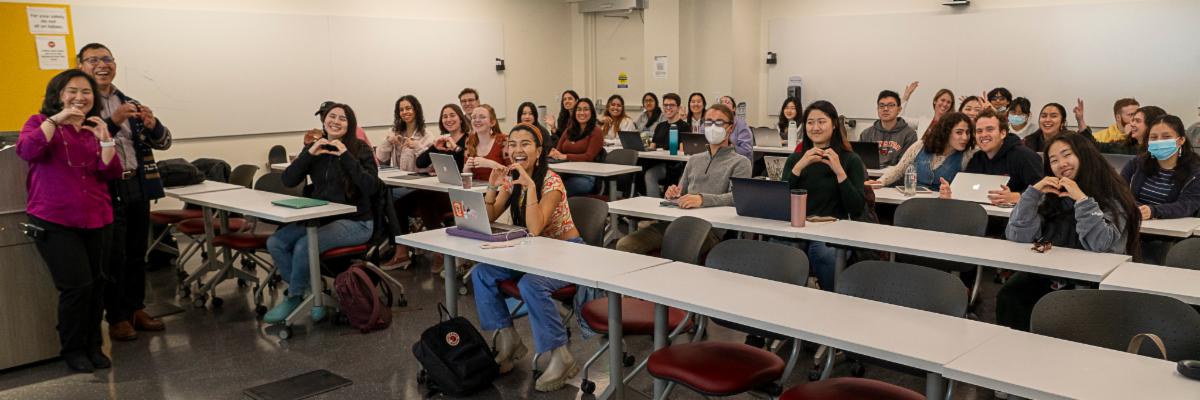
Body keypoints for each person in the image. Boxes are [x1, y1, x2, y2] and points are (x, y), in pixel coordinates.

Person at [17, 69, 123, 373]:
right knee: (76, 287)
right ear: (58, 95)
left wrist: (105, 140)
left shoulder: (94, 127)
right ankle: (73, 348)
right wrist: (57, 119)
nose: (80, 97)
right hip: (55, 219)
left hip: (98, 217)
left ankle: (93, 344)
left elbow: (110, 172)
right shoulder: (39, 123)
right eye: (72, 91)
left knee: (98, 285)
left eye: (86, 92)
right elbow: (28, 151)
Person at [473, 123, 583, 392]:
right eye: (512, 144)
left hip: (566, 252)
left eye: (525, 144)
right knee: (481, 273)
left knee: (530, 285)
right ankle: (509, 339)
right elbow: (489, 218)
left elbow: (535, 226)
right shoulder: (512, 178)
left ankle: (561, 355)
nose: (517, 149)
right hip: (532, 252)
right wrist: (491, 187)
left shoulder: (551, 182)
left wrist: (531, 187)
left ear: (539, 150)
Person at [77, 43, 172, 340]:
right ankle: (116, 316)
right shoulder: (79, 106)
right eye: (93, 60)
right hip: (105, 188)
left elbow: (165, 142)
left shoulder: (129, 100)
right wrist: (113, 121)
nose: (102, 64)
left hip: (137, 184)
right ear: (81, 66)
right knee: (112, 256)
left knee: (135, 253)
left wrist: (153, 124)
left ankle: (135, 308)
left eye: (107, 58)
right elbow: (80, 146)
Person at [998, 133, 1139, 331]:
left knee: (1061, 312)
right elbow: (1017, 236)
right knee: (1011, 294)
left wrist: (1081, 200)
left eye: (1067, 155)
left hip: (1091, 280)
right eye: (1053, 160)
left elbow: (1101, 244)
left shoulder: (1113, 194)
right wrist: (1032, 193)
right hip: (1049, 272)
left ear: (1084, 155)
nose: (1061, 164)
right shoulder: (1051, 194)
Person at [266, 103, 379, 324]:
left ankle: (294, 296)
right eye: (331, 116)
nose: (336, 121)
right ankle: (309, 291)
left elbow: (372, 187)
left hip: (356, 222)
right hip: (320, 218)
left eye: (343, 118)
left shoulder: (360, 149)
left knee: (304, 246)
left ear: (351, 124)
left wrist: (346, 155)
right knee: (275, 242)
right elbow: (288, 180)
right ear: (324, 120)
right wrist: (309, 154)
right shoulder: (315, 148)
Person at [617, 104, 751, 254]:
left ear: (730, 128)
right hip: (678, 221)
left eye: (719, 123)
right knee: (625, 244)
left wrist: (702, 199)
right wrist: (674, 194)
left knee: (676, 249)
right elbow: (681, 192)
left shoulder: (740, 162)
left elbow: (737, 198)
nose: (713, 127)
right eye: (708, 122)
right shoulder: (694, 159)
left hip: (709, 229)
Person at [780, 100, 866, 290]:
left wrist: (839, 172)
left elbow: (857, 207)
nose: (815, 127)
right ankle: (786, 302)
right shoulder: (796, 159)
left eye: (821, 121)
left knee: (823, 252)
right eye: (810, 122)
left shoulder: (850, 159)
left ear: (834, 124)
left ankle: (830, 301)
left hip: (833, 228)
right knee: (783, 247)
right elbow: (779, 200)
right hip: (799, 226)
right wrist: (798, 167)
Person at [376, 95, 436, 269]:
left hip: (419, 184)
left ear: (416, 109)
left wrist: (416, 147)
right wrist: (389, 141)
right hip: (398, 181)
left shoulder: (427, 135)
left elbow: (430, 165)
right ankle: (397, 245)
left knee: (386, 198)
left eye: (408, 108)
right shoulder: (395, 132)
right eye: (401, 109)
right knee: (382, 196)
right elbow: (380, 157)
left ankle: (400, 247)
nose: (405, 112)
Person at [950, 109, 1044, 206]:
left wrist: (1017, 196)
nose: (984, 135)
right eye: (979, 131)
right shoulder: (977, 158)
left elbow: (1043, 192)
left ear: (1002, 133)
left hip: (1015, 217)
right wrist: (952, 194)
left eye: (990, 129)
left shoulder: (1024, 156)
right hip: (983, 214)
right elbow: (966, 188)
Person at [1120, 115, 1200, 220]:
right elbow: (1119, 191)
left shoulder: (1195, 172)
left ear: (1181, 140)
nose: (1159, 141)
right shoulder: (1137, 163)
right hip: (1135, 223)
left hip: (1172, 231)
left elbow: (1187, 205)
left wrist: (1153, 211)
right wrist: (1138, 209)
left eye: (1166, 137)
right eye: (1153, 137)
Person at [869, 112, 975, 190]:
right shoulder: (920, 145)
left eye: (968, 132)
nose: (965, 137)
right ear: (946, 132)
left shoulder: (966, 156)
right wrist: (880, 182)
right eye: (959, 132)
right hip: (912, 200)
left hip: (942, 206)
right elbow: (898, 170)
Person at [550, 98, 606, 195]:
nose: (582, 112)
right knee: (546, 186)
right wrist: (554, 153)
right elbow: (558, 150)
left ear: (591, 112)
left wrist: (566, 156)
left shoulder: (596, 131)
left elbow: (588, 157)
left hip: (585, 176)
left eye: (585, 109)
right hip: (565, 172)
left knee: (556, 191)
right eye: (579, 109)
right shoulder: (569, 130)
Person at [644, 93, 690, 197]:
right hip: (659, 163)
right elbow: (652, 147)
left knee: (650, 175)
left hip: (675, 166)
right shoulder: (660, 126)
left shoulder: (684, 127)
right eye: (665, 105)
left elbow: (682, 152)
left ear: (678, 108)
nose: (668, 108)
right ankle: (651, 205)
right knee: (646, 172)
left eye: (671, 105)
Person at [859, 90, 918, 167]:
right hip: (869, 176)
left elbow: (905, 166)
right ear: (877, 109)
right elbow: (860, 161)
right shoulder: (866, 134)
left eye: (891, 105)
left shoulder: (909, 135)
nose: (885, 109)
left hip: (896, 177)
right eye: (881, 106)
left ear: (899, 109)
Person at [1023, 102, 1095, 152]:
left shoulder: (1072, 141)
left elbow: (1091, 148)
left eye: (1053, 116)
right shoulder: (1028, 142)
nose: (1047, 120)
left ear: (1062, 122)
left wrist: (1080, 120)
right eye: (1044, 116)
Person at [462, 104, 508, 180]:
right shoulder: (469, 141)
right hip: (477, 190)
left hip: (498, 190)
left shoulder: (503, 140)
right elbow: (467, 180)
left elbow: (514, 173)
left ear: (492, 122)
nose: (477, 120)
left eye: (482, 117)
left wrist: (490, 164)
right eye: (473, 117)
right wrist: (466, 169)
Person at [1098, 105, 1167, 155]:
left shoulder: (1163, 151)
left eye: (1137, 121)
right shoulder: (1127, 146)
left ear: (1151, 125)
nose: (1132, 124)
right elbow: (1098, 146)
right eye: (1133, 120)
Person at [718, 95, 754, 159]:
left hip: (735, 161)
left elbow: (746, 150)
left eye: (727, 102)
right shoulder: (714, 123)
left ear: (733, 108)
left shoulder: (741, 125)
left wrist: (728, 145)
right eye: (721, 102)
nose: (723, 104)